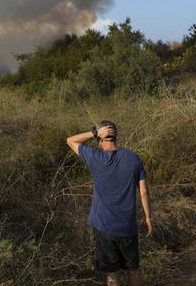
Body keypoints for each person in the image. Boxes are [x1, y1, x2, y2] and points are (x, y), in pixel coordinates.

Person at [66, 120, 152, 286]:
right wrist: (148, 218)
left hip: (104, 227)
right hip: (127, 227)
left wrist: (93, 132)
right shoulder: (134, 159)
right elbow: (143, 191)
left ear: (100, 140)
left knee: (112, 274)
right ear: (116, 137)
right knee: (133, 269)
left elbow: (70, 140)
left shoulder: (95, 157)